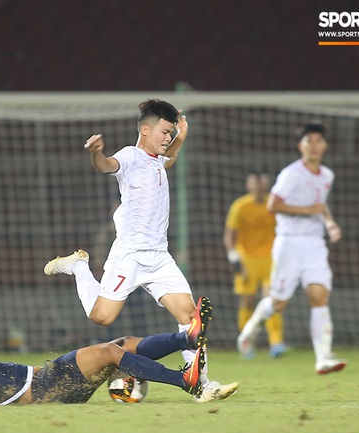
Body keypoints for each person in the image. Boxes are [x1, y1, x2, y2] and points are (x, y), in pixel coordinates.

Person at [44, 99, 238, 402]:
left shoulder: (158, 160)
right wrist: (96, 154)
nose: (167, 138)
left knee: (190, 317)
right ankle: (79, 266)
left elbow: (170, 157)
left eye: (170, 133)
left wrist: (182, 136)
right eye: (163, 131)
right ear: (145, 130)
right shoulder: (131, 156)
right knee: (102, 318)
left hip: (160, 257)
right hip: (130, 255)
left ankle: (201, 384)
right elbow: (107, 166)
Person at [0, 301, 212, 405]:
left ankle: (188, 338)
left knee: (124, 342)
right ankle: (185, 380)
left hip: (53, 384)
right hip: (50, 385)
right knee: (109, 351)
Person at [237, 122, 347, 374]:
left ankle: (323, 358)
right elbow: (273, 205)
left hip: (315, 245)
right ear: (301, 146)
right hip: (289, 243)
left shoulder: (327, 175)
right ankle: (250, 330)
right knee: (278, 303)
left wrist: (330, 224)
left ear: (325, 145)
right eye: (310, 140)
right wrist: (310, 211)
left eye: (319, 140)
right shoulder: (291, 174)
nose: (315, 145)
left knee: (319, 296)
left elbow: (320, 206)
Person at [224, 171, 286, 358]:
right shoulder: (240, 206)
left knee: (272, 299)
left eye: (261, 184)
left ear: (266, 185)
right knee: (248, 299)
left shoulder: (273, 204)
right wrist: (234, 258)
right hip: (247, 258)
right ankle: (246, 341)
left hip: (270, 258)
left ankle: (276, 342)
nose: (258, 187)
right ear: (248, 186)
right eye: (254, 184)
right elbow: (230, 234)